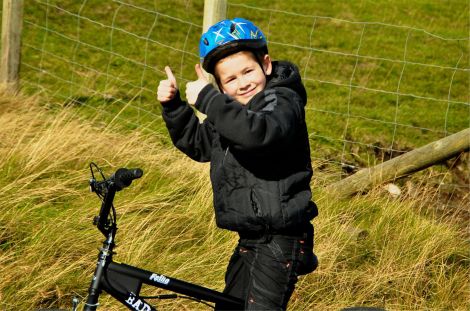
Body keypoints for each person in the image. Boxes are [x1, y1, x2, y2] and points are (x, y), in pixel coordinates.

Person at [157, 17, 318, 311]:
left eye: (248, 71)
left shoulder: (281, 101)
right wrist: (174, 107)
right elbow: (201, 144)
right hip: (251, 239)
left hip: (280, 240)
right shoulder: (235, 113)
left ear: (266, 65)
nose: (243, 83)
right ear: (221, 85)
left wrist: (207, 99)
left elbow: (258, 133)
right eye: (230, 79)